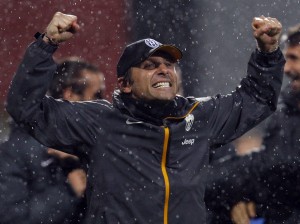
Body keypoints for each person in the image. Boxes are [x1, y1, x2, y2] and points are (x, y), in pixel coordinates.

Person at [6, 12, 284, 224]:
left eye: (169, 65)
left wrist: (268, 52)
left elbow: (258, 100)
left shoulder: (198, 117)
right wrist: (46, 43)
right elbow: (25, 108)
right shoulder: (100, 121)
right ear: (125, 84)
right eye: (150, 65)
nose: (163, 70)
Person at [206, 24, 300, 224]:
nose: (288, 69)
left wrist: (209, 183)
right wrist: (248, 202)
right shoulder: (286, 111)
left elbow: (279, 166)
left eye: (294, 59)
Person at [0, 58, 105, 224]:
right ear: (69, 95)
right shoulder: (16, 151)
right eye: (97, 95)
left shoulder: (93, 147)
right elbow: (12, 218)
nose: (103, 102)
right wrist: (68, 190)